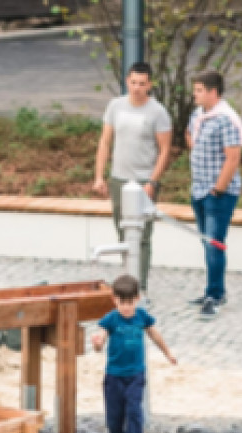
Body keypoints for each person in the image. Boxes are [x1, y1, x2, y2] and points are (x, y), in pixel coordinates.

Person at [93, 61, 173, 295]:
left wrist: (152, 181)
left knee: (142, 236)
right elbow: (105, 141)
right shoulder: (115, 106)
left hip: (142, 181)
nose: (137, 87)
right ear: (127, 81)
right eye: (133, 82)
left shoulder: (157, 112)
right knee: (122, 231)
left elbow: (165, 150)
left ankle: (141, 287)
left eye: (142, 83)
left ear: (149, 85)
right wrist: (100, 176)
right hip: (119, 179)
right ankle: (128, 282)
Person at [91, 275, 177, 433]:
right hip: (114, 376)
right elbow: (100, 340)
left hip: (136, 375)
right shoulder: (110, 318)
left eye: (130, 303)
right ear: (115, 300)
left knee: (134, 413)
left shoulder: (142, 317)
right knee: (114, 417)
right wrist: (96, 344)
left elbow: (155, 335)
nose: (126, 308)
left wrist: (168, 353)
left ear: (137, 299)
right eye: (122, 303)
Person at [186, 70, 242, 320]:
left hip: (218, 193)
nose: (194, 94)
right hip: (199, 189)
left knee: (214, 244)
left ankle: (215, 296)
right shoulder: (199, 115)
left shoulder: (226, 119)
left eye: (199, 90)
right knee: (206, 242)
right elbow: (190, 135)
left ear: (213, 92)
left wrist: (218, 189)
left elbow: (233, 158)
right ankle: (213, 289)